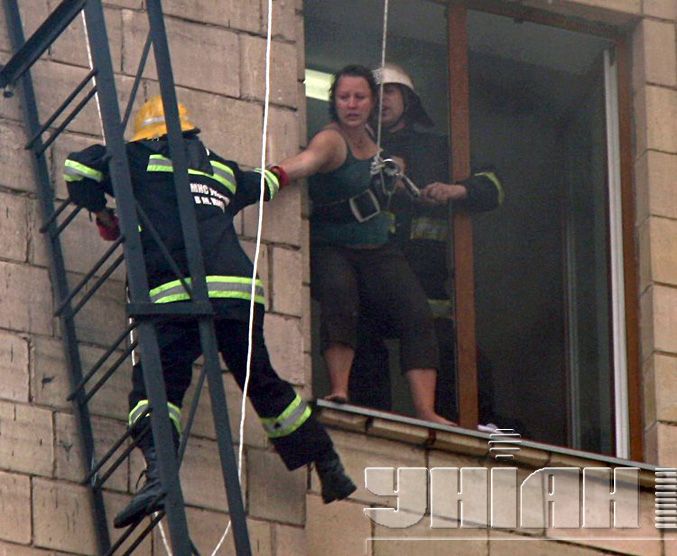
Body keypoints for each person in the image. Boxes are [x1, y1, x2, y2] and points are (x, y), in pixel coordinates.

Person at [63, 95, 356, 528]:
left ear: (149, 135)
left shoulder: (132, 158)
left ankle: (159, 476)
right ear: (189, 131)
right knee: (262, 382)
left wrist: (102, 212)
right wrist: (301, 162)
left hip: (175, 290)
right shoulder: (218, 167)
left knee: (157, 387)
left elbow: (78, 168)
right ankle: (328, 464)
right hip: (239, 291)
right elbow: (268, 181)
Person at [274, 64, 452, 426]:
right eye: (344, 97)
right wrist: (269, 177)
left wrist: (401, 177)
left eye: (359, 97)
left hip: (376, 248)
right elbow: (305, 163)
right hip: (333, 245)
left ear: (371, 103)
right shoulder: (331, 139)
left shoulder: (376, 146)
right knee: (341, 298)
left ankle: (425, 409)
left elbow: (393, 188)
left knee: (416, 312)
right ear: (334, 102)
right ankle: (339, 388)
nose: (351, 105)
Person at [348, 63, 504, 425]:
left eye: (391, 92)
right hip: (372, 273)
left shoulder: (439, 148)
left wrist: (454, 190)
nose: (383, 100)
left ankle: (462, 425)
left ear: (409, 100)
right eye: (377, 93)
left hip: (425, 278)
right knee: (364, 351)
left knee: (450, 352)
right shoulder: (357, 148)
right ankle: (368, 424)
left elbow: (493, 187)